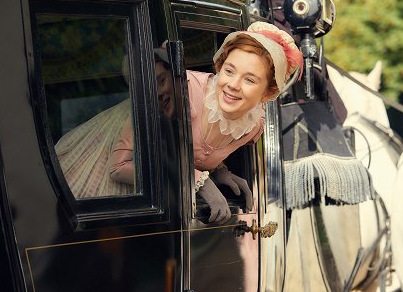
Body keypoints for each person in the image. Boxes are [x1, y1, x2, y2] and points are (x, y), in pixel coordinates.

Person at [56, 21, 303, 224]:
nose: (233, 85)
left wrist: (219, 172)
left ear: (267, 94)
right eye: (229, 71)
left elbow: (189, 148)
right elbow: (119, 167)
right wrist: (198, 181)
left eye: (250, 80)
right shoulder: (178, 93)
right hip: (104, 178)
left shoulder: (252, 126)